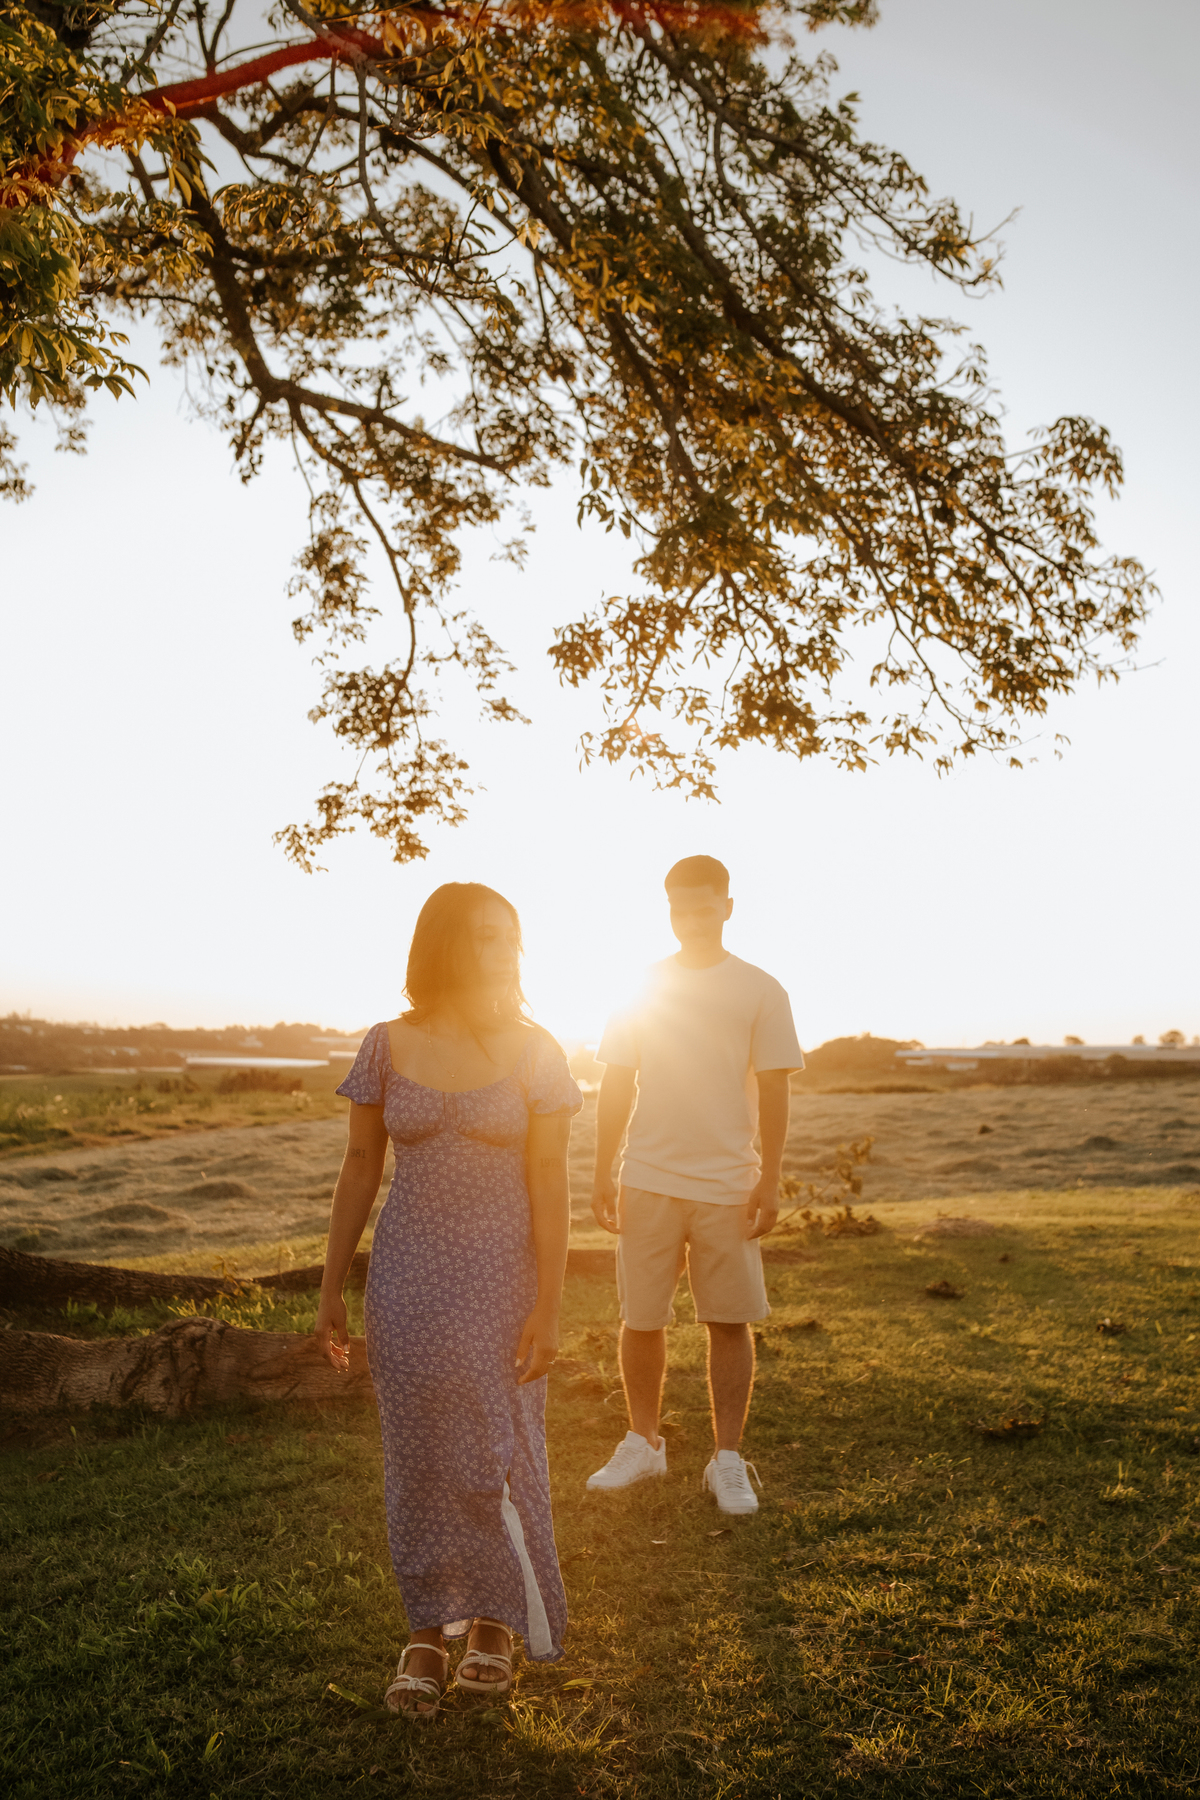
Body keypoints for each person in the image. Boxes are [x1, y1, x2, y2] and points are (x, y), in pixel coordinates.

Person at [314, 882, 582, 1719]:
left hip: (503, 1283)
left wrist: (551, 1303)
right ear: (443, 946)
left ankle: (497, 1623)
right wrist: (331, 1289)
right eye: (485, 937)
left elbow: (550, 1179)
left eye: (512, 936)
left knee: (499, 1449)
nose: (505, 951)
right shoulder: (387, 1045)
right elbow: (360, 1169)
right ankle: (426, 1630)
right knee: (420, 1456)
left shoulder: (539, 1049)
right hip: (407, 1282)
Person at [587, 855, 803, 1515]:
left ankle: (726, 1459)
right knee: (640, 1318)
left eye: (704, 906)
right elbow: (617, 1082)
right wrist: (600, 1170)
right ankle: (644, 1443)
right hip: (647, 1174)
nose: (691, 918)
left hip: (727, 1182)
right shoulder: (640, 987)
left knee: (728, 1320)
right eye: (680, 907)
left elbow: (774, 1089)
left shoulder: (761, 989)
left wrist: (769, 1179)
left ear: (728, 907)